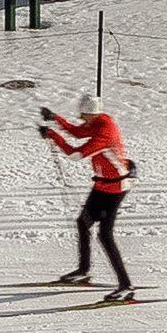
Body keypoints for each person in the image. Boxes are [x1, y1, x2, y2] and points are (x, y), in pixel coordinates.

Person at [38, 93, 138, 295]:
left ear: (92, 114)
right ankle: (84, 270)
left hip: (116, 187)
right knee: (83, 223)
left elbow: (75, 154)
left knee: (105, 235)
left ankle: (126, 285)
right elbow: (76, 132)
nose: (81, 118)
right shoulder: (100, 120)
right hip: (102, 184)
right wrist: (55, 119)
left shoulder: (104, 132)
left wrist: (52, 135)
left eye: (84, 114)